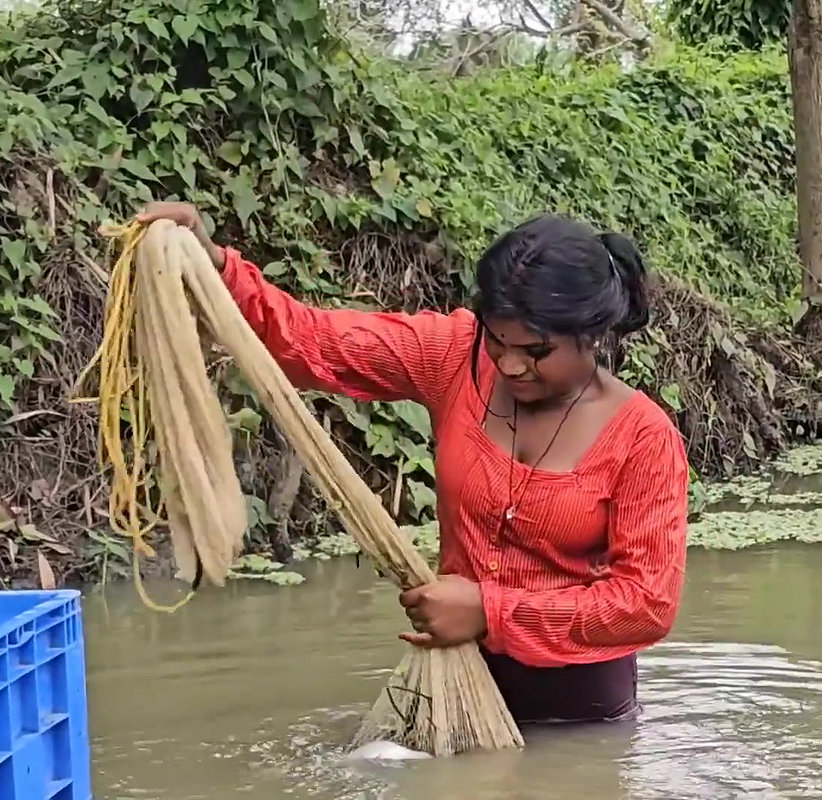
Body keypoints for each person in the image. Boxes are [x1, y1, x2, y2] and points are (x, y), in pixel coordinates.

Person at [135, 203, 691, 725]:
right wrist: (214, 265)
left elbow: (645, 605)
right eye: (498, 340)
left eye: (537, 350)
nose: (512, 364)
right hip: (454, 681)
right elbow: (317, 343)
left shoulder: (642, 439)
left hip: (581, 712)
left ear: (592, 335)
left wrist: (489, 612)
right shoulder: (456, 358)